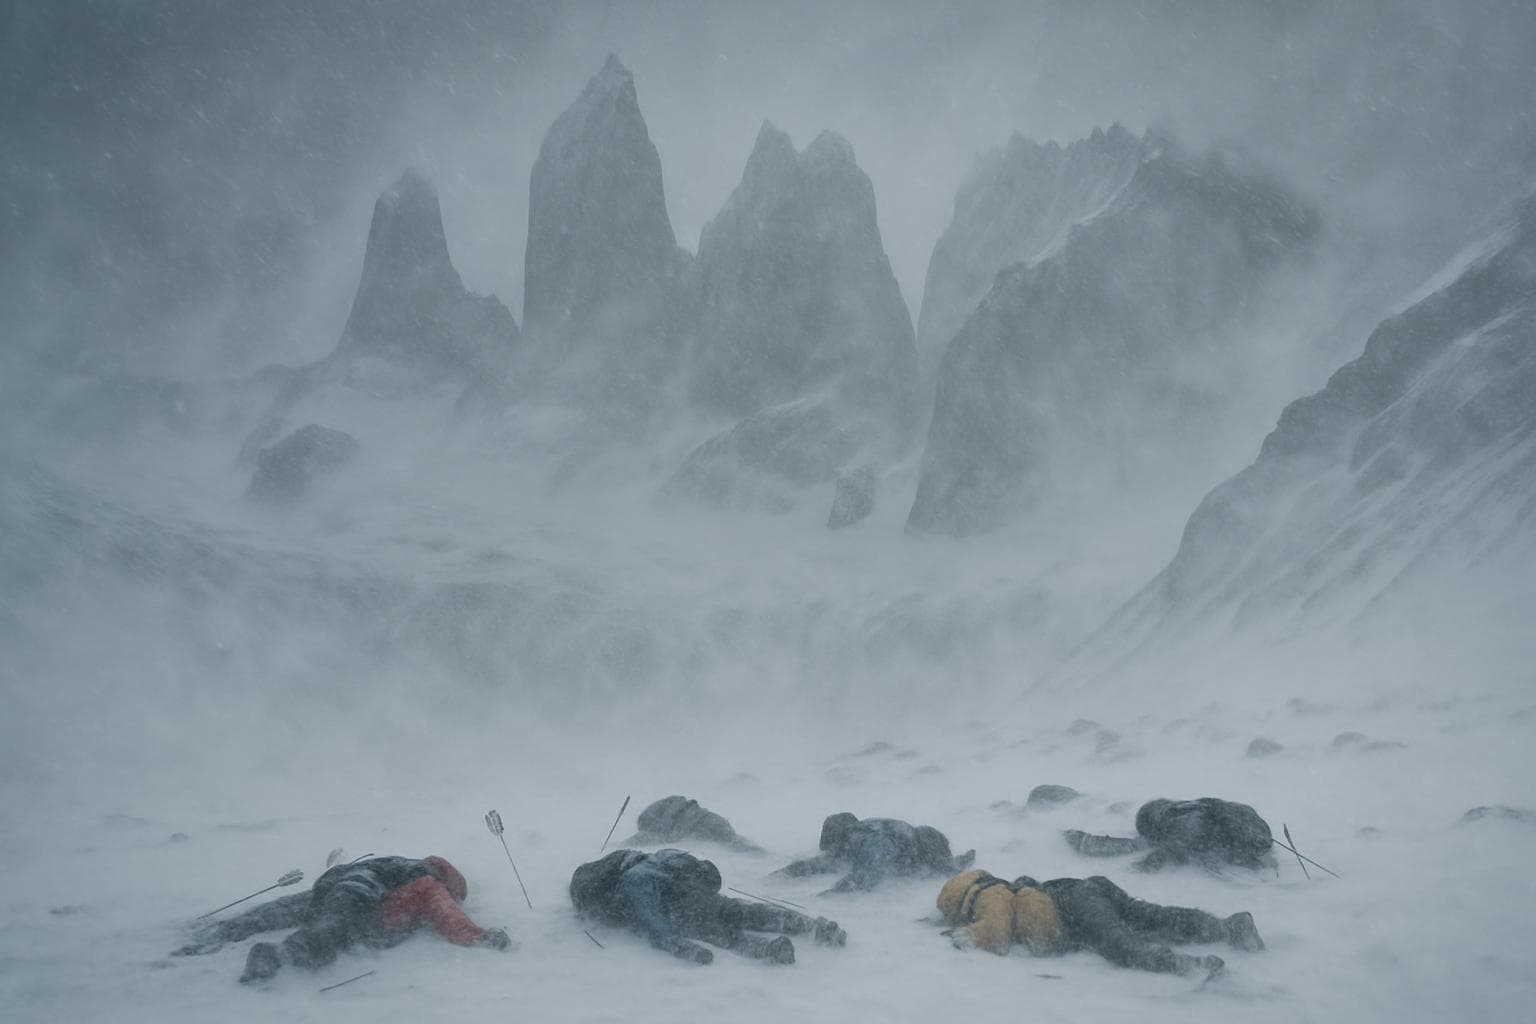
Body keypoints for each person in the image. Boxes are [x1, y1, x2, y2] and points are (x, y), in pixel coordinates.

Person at [178, 855, 512, 983]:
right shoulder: (425, 879)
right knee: (337, 925)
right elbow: (444, 911)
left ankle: (216, 931)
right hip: (365, 902)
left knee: (289, 908)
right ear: (447, 878)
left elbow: (334, 878)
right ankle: (283, 956)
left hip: (337, 885)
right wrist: (478, 936)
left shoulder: (379, 861)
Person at [936, 868, 1264, 978]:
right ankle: (1228, 927)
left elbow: (995, 934)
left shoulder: (991, 896)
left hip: (1077, 902)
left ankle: (1186, 965)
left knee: (1118, 944)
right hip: (1089, 888)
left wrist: (967, 936)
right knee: (1153, 918)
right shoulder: (1010, 888)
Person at [570, 848, 846, 965]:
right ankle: (770, 948)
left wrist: (706, 897)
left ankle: (808, 927)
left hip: (682, 900)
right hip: (672, 909)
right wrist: (679, 946)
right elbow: (648, 918)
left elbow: (704, 893)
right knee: (713, 927)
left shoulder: (674, 861)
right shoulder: (639, 879)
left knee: (733, 911)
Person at [1062, 797, 1277, 873]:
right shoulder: (1200, 809)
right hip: (1248, 832)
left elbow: (1170, 850)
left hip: (1244, 834)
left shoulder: (1186, 822)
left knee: (1148, 844)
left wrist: (1144, 867)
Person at [775, 812, 975, 892]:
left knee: (947, 870)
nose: (834, 853)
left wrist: (827, 897)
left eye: (834, 846)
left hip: (923, 849)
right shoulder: (861, 833)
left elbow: (865, 877)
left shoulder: (875, 840)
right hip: (921, 846)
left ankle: (953, 865)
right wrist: (785, 873)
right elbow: (825, 862)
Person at [623, 795, 763, 853]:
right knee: (739, 845)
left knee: (736, 845)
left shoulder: (657, 822)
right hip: (711, 821)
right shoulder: (670, 812)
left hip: (708, 824)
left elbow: (651, 837)